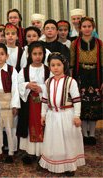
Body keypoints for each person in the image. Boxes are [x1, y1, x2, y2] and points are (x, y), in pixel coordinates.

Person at [39, 52, 85, 177]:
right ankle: (55, 163)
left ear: (64, 65)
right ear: (49, 67)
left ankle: (70, 165)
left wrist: (77, 116)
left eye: (58, 65)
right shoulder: (48, 82)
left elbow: (76, 100)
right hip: (53, 115)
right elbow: (44, 100)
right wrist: (43, 115)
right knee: (54, 140)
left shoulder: (71, 81)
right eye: (52, 65)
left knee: (68, 140)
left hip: (67, 115)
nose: (56, 68)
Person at [70, 17, 102, 145]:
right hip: (80, 75)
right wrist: (72, 80)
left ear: (93, 28)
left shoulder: (100, 43)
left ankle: (92, 133)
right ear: (80, 28)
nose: (87, 28)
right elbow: (72, 64)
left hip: (96, 76)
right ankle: (84, 134)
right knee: (81, 105)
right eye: (84, 26)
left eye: (89, 26)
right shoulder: (75, 44)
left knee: (94, 105)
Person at [18, 41, 50, 164]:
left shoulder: (48, 70)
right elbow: (18, 84)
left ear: (44, 54)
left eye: (40, 53)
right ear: (30, 55)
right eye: (35, 54)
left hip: (43, 103)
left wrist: (41, 87)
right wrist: (27, 85)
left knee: (42, 125)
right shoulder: (24, 70)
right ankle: (30, 152)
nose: (37, 56)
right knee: (29, 124)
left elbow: (51, 84)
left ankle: (43, 152)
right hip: (29, 104)